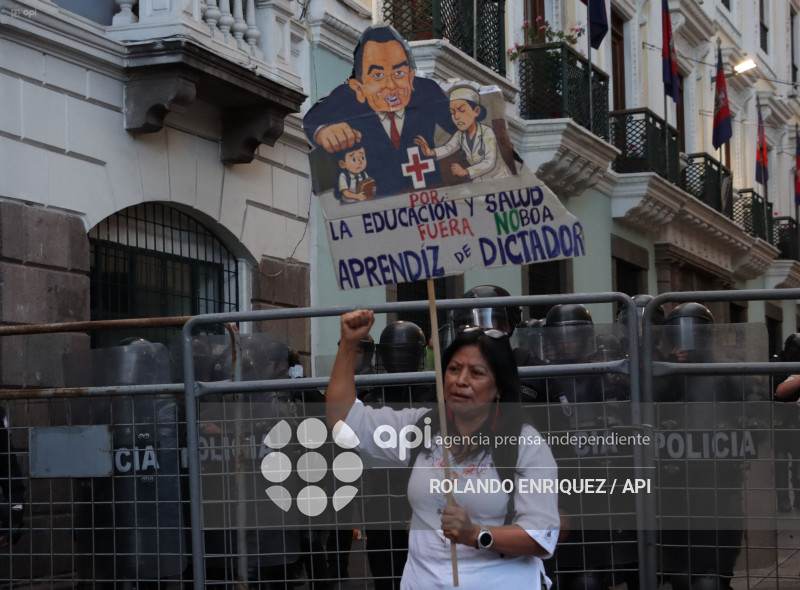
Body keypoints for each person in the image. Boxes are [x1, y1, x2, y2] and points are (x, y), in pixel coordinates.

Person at [326, 310, 560, 590]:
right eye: (453, 369)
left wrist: (476, 535)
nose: (461, 380)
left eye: (476, 373)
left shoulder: (524, 444)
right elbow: (345, 420)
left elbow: (541, 535)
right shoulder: (421, 427)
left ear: (499, 387)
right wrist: (349, 344)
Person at [303, 24, 456, 198]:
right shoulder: (347, 97)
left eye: (399, 73)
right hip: (376, 213)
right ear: (358, 88)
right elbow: (311, 121)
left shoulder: (427, 92)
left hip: (427, 209)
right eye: (378, 76)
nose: (391, 85)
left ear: (411, 77)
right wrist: (323, 132)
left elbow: (464, 125)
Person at [414, 85, 512, 182]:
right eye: (452, 112)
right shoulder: (460, 135)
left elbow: (489, 162)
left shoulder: (487, 132)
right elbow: (448, 147)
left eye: (462, 110)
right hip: (480, 182)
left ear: (476, 111)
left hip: (500, 180)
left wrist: (466, 171)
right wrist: (431, 152)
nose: (456, 117)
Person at [772, 333, 800, 512]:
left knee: (797, 461)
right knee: (780, 459)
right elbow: (779, 392)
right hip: (778, 417)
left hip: (794, 420)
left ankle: (798, 498)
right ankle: (783, 499)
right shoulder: (777, 362)